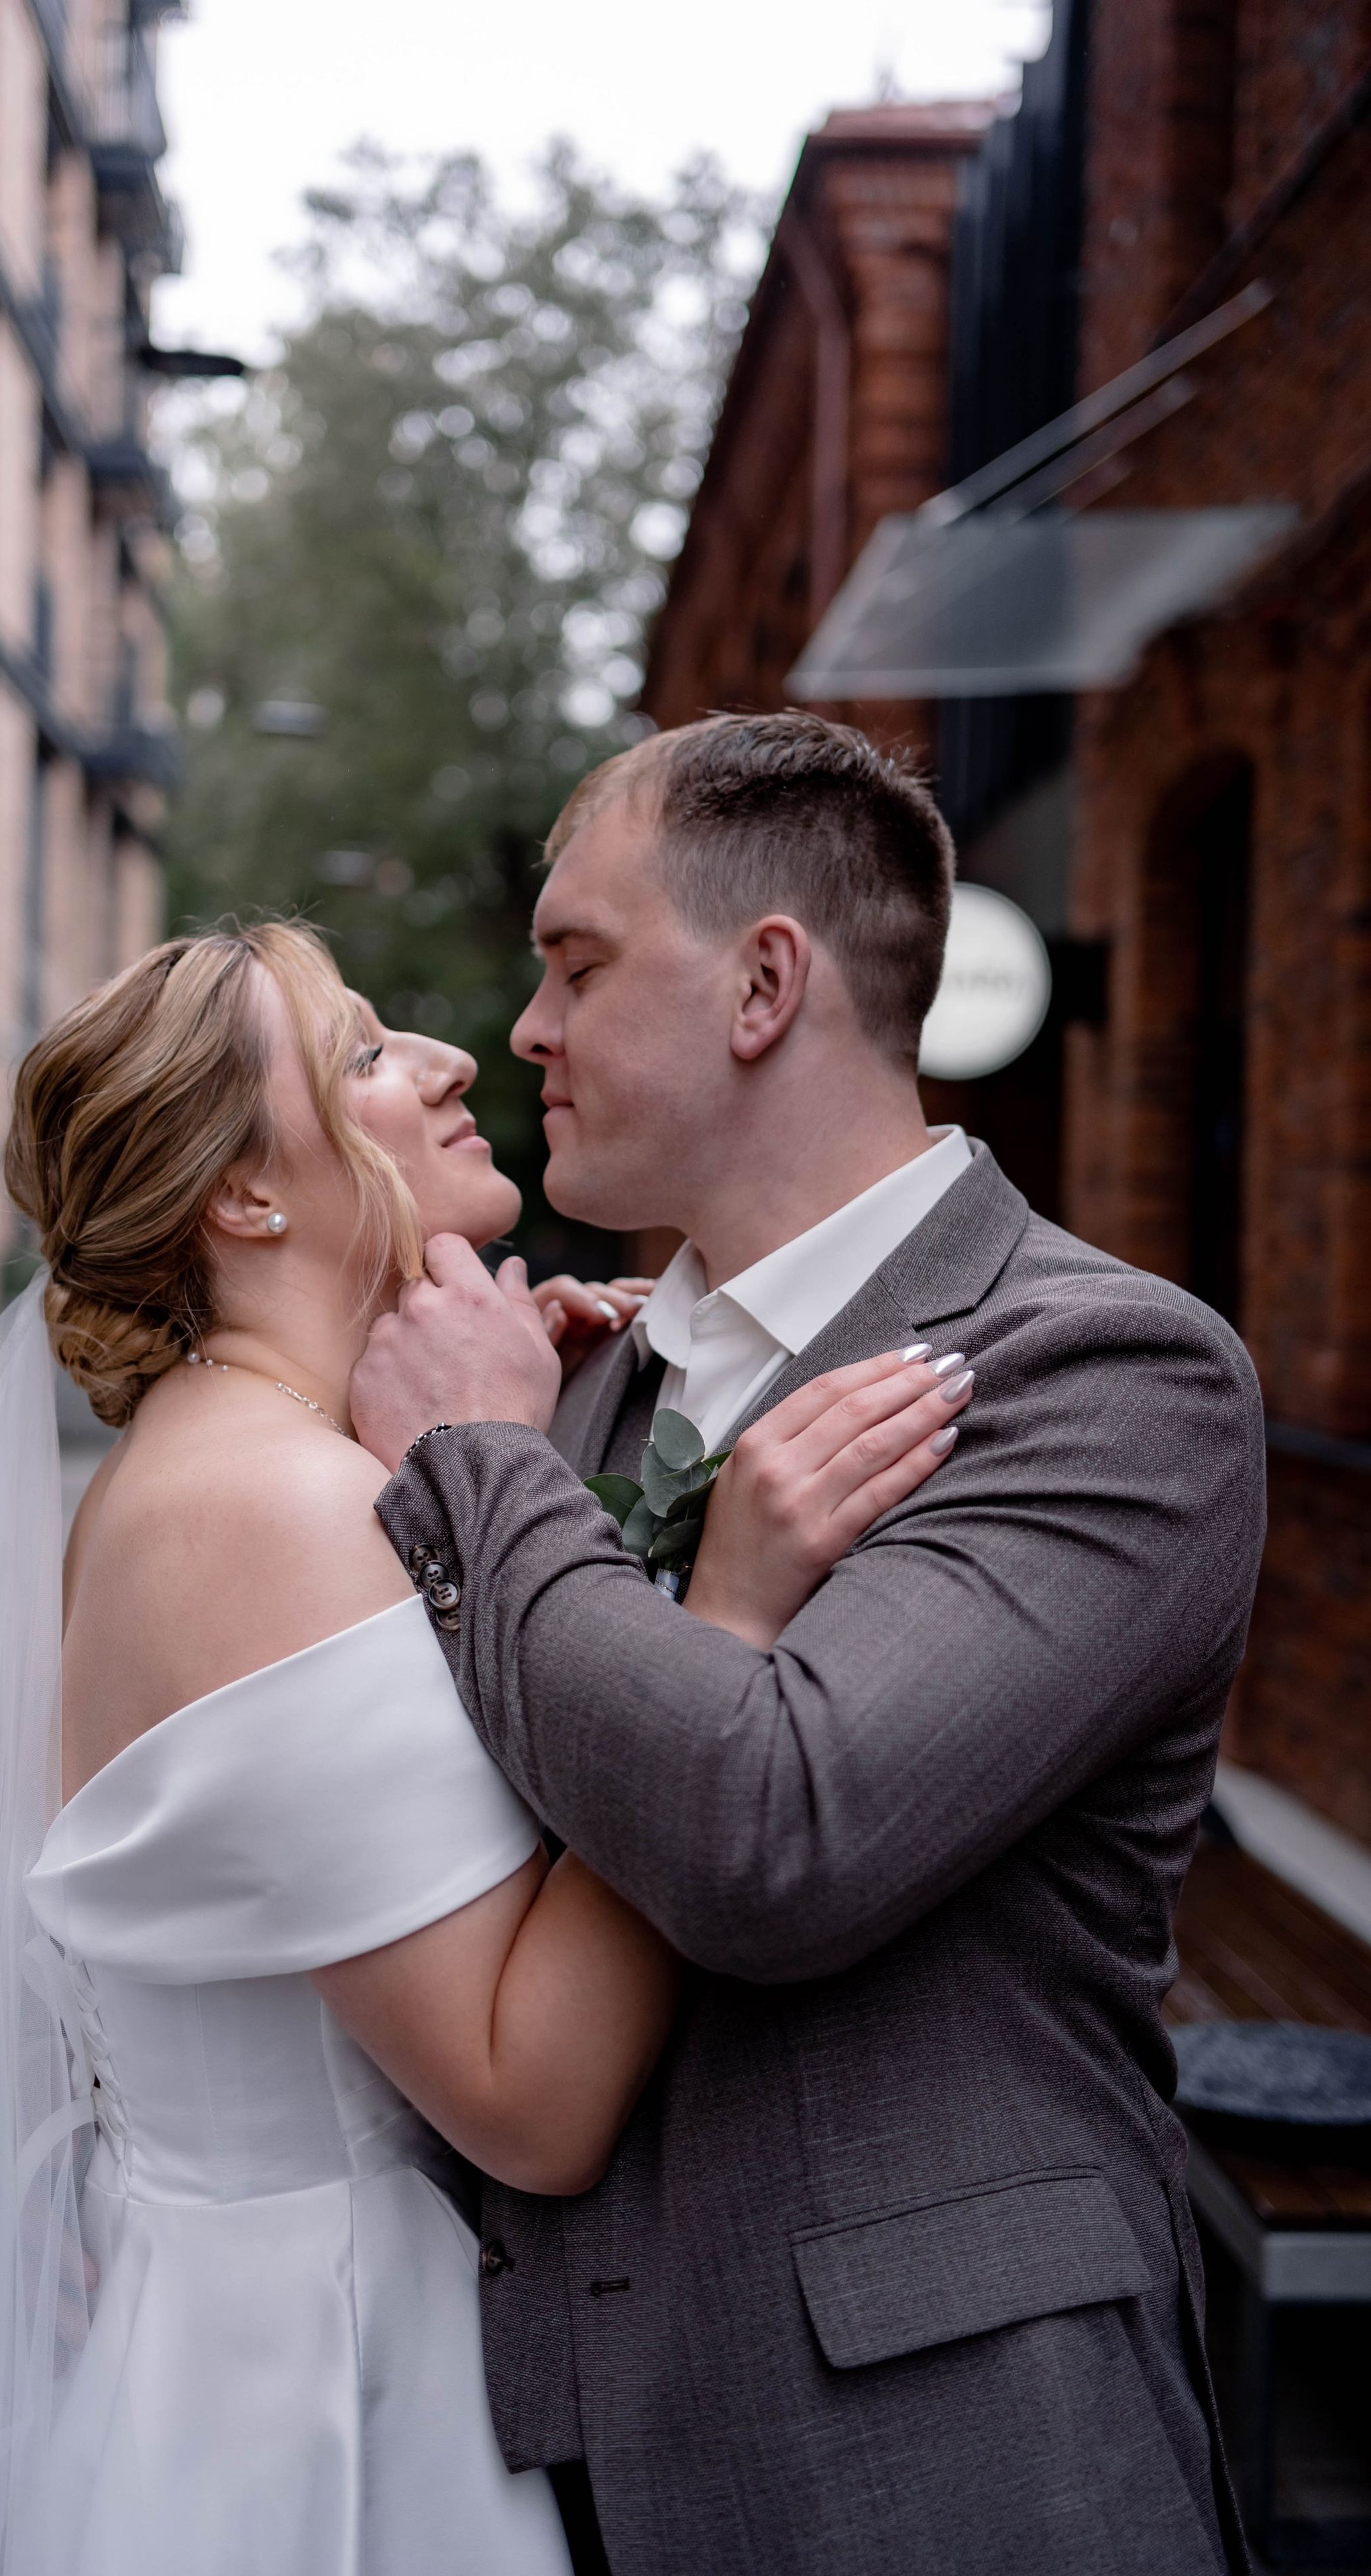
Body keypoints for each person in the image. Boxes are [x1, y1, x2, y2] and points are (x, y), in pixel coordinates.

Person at [0, 921, 967, 2576]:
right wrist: (717, 1616)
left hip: (244, 2319)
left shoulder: (253, 1464)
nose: (447, 1062)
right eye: (359, 1051)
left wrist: (515, 1460)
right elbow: (528, 2101)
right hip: (320, 2390)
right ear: (243, 1199)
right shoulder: (276, 1514)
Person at [350, 712, 1269, 2576]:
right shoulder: (583, 1384)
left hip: (932, 2464)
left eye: (578, 964)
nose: (526, 1031)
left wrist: (474, 1464)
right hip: (543, 2457)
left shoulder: (1104, 1374)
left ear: (766, 984)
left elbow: (778, 1833)